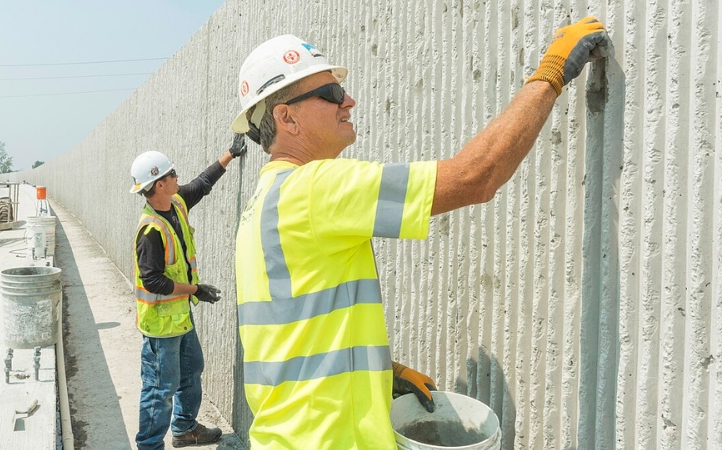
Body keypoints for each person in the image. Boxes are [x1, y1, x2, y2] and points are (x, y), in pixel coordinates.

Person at [231, 17, 610, 450]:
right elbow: (474, 177)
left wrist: (383, 371)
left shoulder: (261, 206)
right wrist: (550, 75)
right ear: (286, 117)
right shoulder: (313, 188)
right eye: (332, 93)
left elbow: (290, 329)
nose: (348, 101)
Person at [130, 135, 247, 449]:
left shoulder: (176, 203)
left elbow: (202, 183)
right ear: (158, 185)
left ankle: (184, 429)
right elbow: (153, 281)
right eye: (171, 175)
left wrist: (230, 155)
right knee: (160, 388)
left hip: (180, 315)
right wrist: (196, 289)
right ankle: (149, 445)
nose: (176, 177)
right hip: (160, 325)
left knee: (192, 368)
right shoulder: (150, 232)